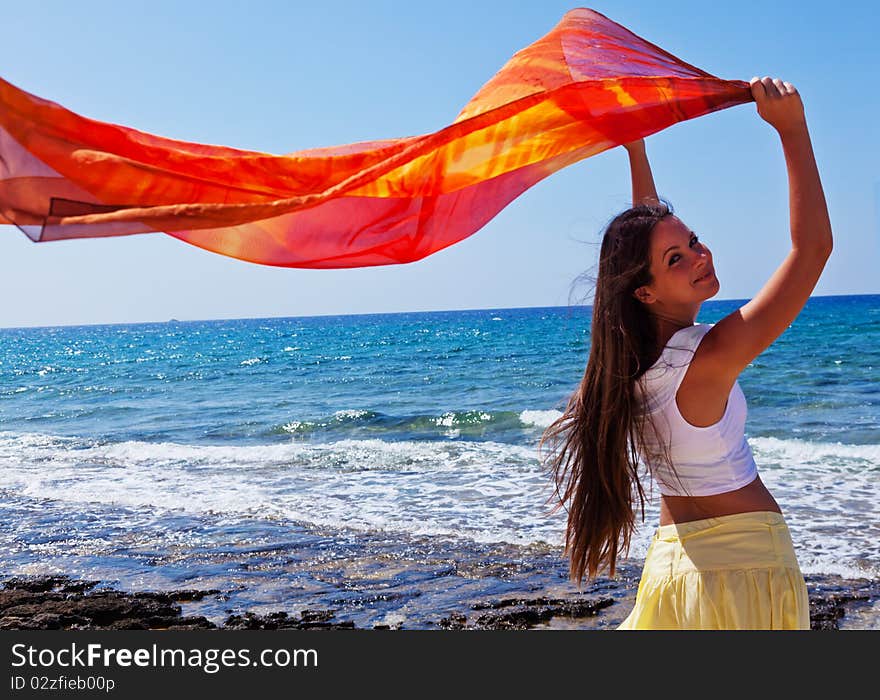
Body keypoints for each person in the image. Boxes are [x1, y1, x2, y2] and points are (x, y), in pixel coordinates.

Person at [538, 76, 833, 629]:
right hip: (747, 573)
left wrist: (637, 147)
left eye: (694, 242)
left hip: (672, 568)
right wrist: (792, 131)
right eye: (679, 259)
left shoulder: (620, 371)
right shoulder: (708, 355)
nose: (700, 256)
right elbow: (813, 248)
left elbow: (643, 241)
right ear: (645, 292)